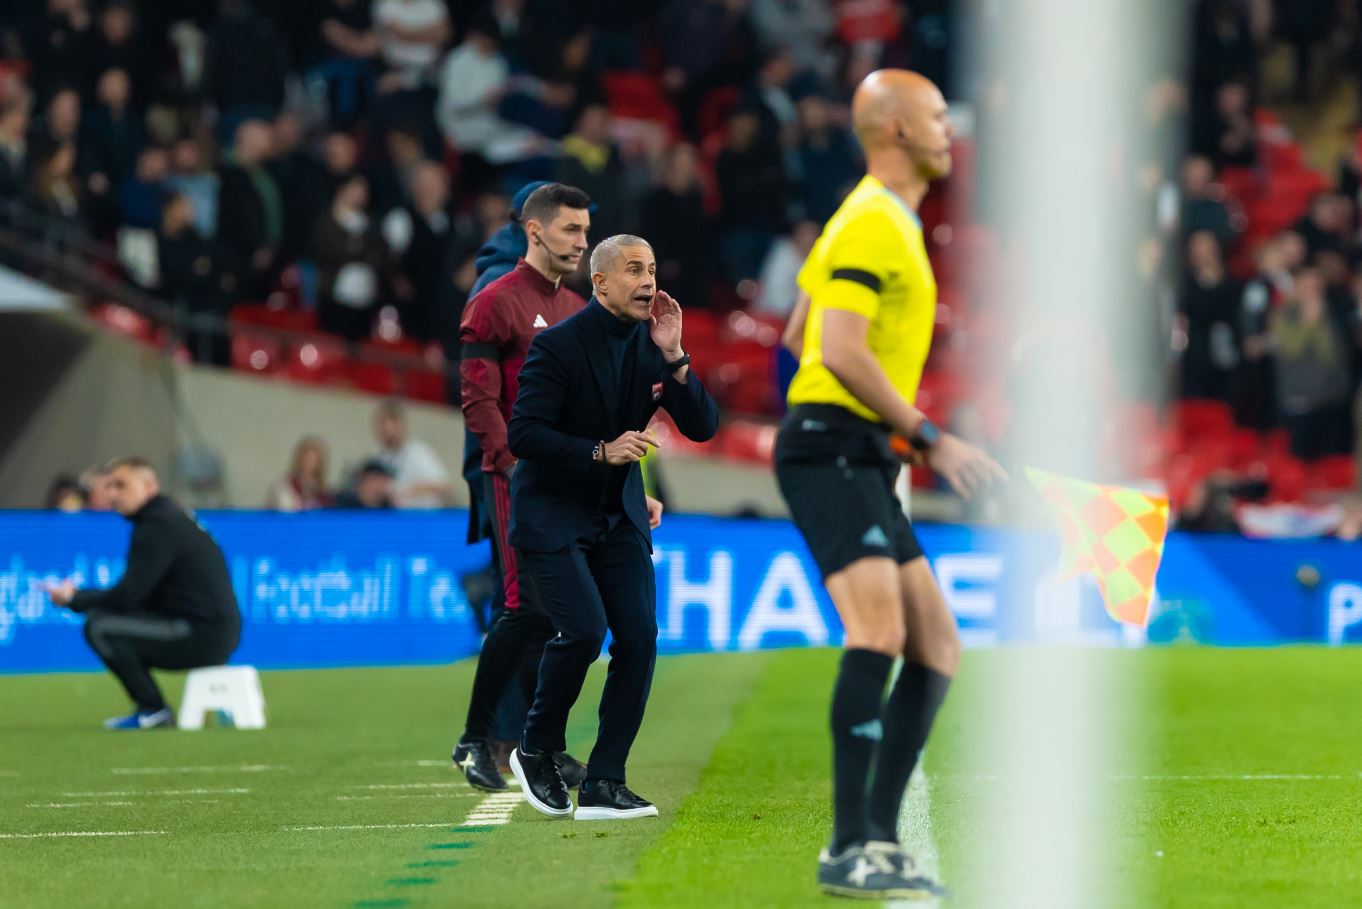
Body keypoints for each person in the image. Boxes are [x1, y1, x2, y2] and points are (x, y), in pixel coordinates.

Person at [775, 70, 1004, 898]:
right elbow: (833, 348)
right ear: (900, 128)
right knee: (876, 630)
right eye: (941, 116)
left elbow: (799, 329)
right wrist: (928, 437)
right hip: (837, 447)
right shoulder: (875, 218)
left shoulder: (870, 218)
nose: (952, 129)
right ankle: (849, 846)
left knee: (937, 646)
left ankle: (875, 832)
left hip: (855, 448)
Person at [506, 234, 718, 822]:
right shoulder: (558, 345)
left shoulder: (656, 344)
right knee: (583, 630)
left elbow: (703, 427)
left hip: (618, 512)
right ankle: (535, 748)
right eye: (632, 270)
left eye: (651, 268)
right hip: (552, 510)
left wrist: (675, 355)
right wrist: (601, 453)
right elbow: (523, 434)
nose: (647, 280)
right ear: (599, 283)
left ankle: (605, 780)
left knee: (639, 638)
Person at [451, 182, 595, 791]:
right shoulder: (494, 300)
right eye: (571, 231)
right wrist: (509, 464)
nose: (583, 244)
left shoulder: (576, 307)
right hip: (515, 478)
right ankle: (477, 740)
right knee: (524, 608)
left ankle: (542, 744)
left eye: (587, 233)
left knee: (565, 618)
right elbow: (478, 399)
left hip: (563, 478)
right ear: (533, 231)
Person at [43, 458, 242, 730]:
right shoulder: (169, 516)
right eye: (110, 486)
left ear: (149, 485)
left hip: (202, 635)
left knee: (100, 627)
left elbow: (128, 596)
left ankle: (154, 709)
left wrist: (74, 599)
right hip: (215, 631)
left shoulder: (157, 526)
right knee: (110, 620)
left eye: (121, 486)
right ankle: (154, 709)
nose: (113, 494)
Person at [372, 398, 453, 508]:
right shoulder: (379, 457)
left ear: (401, 425)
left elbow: (444, 487)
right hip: (394, 519)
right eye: (381, 425)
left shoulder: (417, 453)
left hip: (422, 518)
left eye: (390, 424)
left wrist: (403, 492)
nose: (386, 431)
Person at [265, 435, 334, 510]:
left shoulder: (323, 493)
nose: (309, 464)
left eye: (314, 461)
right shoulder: (283, 486)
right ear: (299, 459)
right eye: (307, 459)